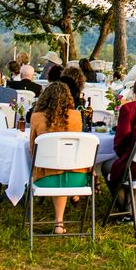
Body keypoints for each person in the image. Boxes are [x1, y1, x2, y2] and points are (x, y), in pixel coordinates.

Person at [29, 82, 85, 235]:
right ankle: (74, 195)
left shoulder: (36, 117)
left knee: (56, 168)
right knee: (64, 167)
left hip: (46, 180)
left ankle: (59, 223)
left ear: (44, 98)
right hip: (78, 179)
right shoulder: (76, 116)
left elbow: (33, 151)